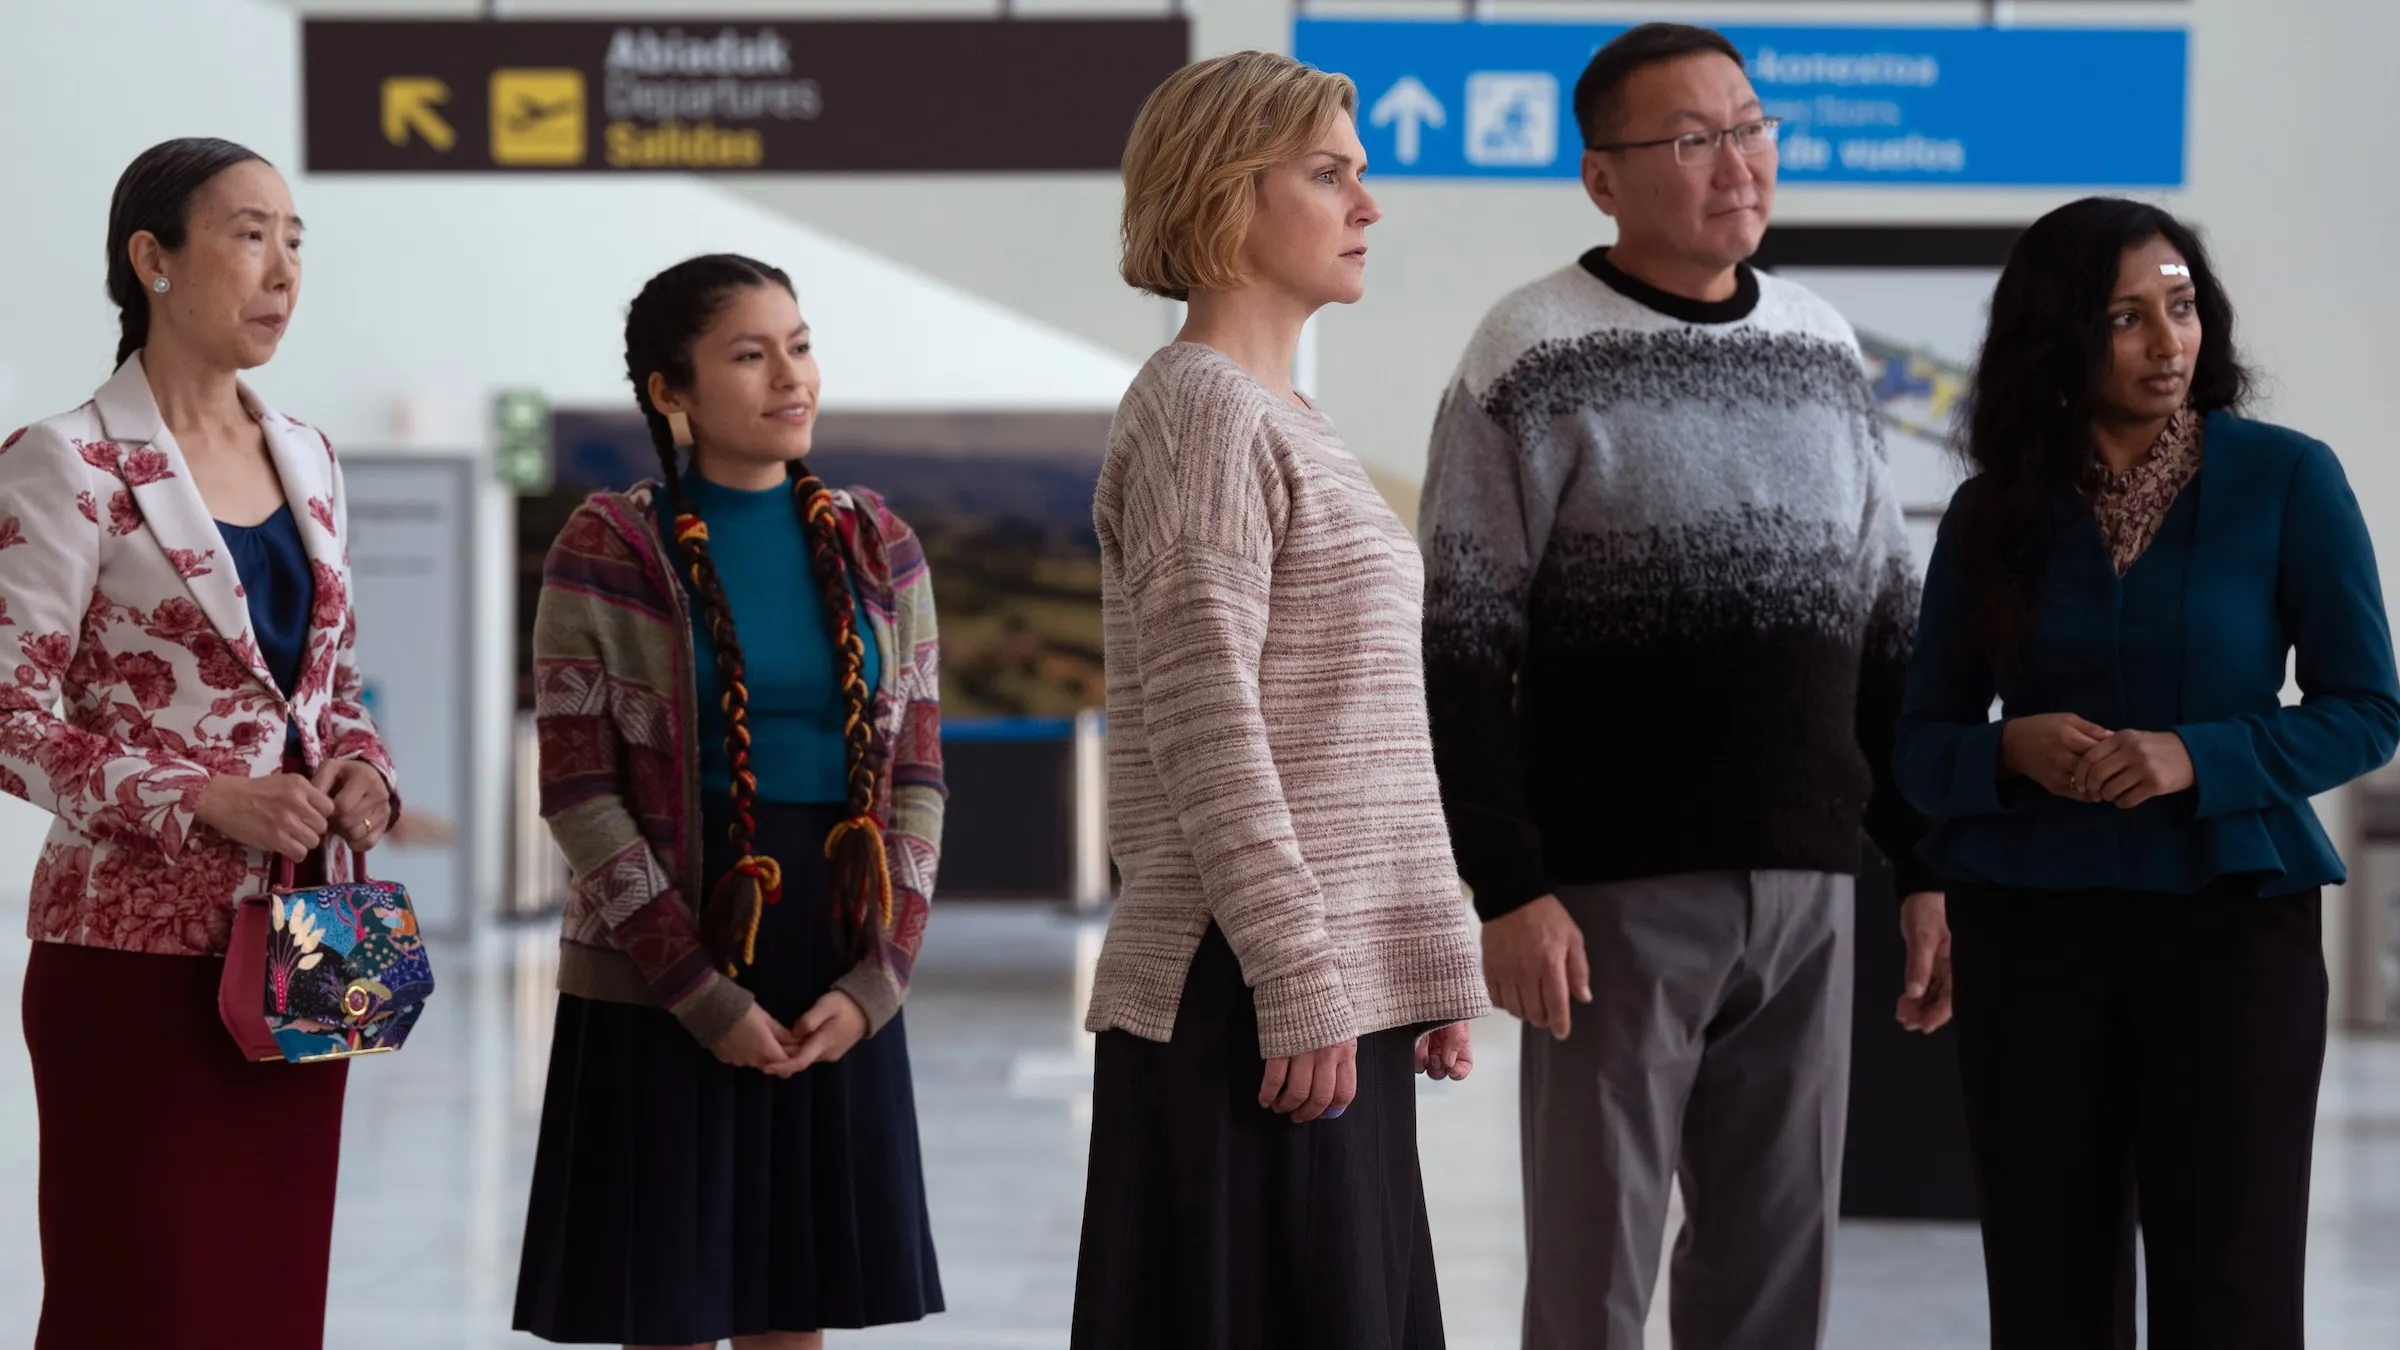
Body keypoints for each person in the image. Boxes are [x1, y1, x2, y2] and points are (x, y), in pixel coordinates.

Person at [1418, 23, 1937, 1350]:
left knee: (1776, 1275)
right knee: (1592, 1278)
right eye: (1694, 139)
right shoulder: (1528, 350)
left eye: (1752, 127)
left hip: (1811, 881)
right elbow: (1461, 642)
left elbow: (1889, 623)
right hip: (1612, 895)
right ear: (1602, 177)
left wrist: (1925, 860)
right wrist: (1508, 887)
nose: (1739, 163)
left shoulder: (1823, 346)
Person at [1893, 198, 2400, 1350]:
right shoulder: (1989, 512)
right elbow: (1921, 745)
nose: (2169, 342)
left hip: (2235, 932)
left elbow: (2367, 710)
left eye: (2181, 306)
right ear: (2058, 335)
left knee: (2234, 1292)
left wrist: (2199, 754)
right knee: (2046, 1291)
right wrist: (2006, 748)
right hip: (2029, 933)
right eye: (2126, 317)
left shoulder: (2289, 479)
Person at [1070, 51, 1487, 1350]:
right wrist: (1301, 974)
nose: (1369, 204)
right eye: (1328, 174)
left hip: (1311, 991)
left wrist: (1422, 950)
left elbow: (1359, 730)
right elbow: (1210, 726)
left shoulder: (1284, 414)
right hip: (1247, 992)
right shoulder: (1201, 409)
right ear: (1226, 193)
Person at [0, 137, 397, 1349]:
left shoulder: (312, 455)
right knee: (144, 1297)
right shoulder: (66, 461)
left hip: (316, 934)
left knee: (276, 1296)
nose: (283, 268)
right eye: (249, 234)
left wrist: (364, 770)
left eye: (295, 241)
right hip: (130, 956)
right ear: (152, 258)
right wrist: (202, 796)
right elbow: (9, 714)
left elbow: (330, 685)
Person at [512, 254, 946, 1349]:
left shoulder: (880, 546)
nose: (790, 377)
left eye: (799, 346)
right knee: (667, 1313)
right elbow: (578, 790)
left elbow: (918, 775)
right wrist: (699, 992)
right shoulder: (608, 548)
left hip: (831, 956)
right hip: (658, 962)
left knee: (794, 1314)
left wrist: (879, 978)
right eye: (750, 356)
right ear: (672, 391)